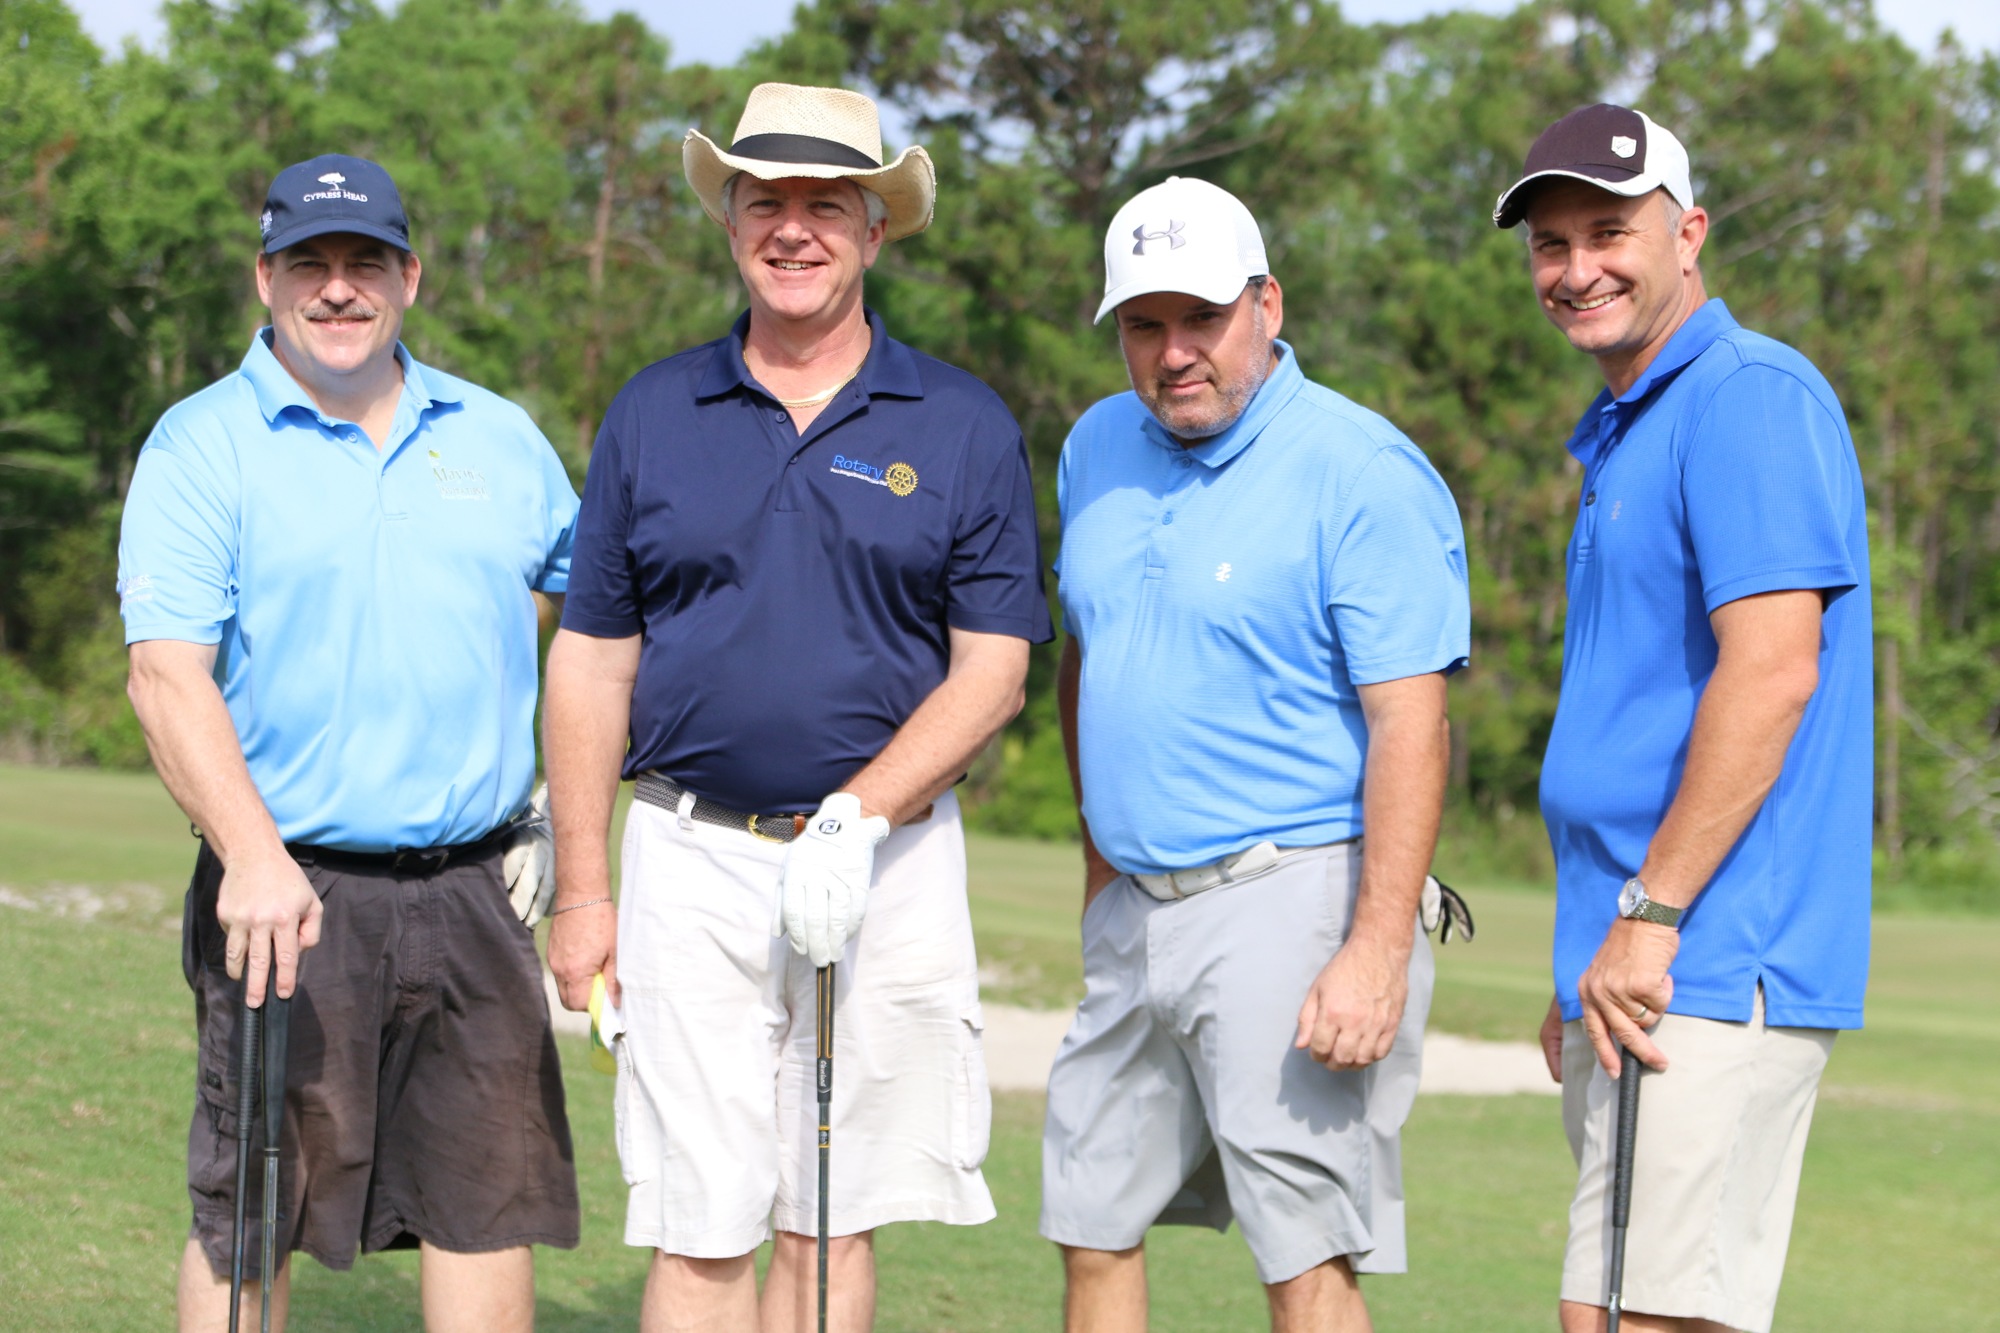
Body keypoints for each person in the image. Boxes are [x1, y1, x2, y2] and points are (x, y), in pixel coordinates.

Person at [541, 82, 1052, 1333]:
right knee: (695, 1212)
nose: (793, 228)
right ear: (728, 221)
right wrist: (584, 889)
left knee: (830, 1214)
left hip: (886, 863)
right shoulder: (655, 413)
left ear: (876, 231)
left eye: (828, 204)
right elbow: (592, 661)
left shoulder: (961, 423)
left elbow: (993, 667)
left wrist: (857, 817)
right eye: (764, 200)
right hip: (687, 855)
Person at [119, 155, 582, 1333]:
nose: (338, 289)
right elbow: (165, 674)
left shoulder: (498, 435)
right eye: (310, 264)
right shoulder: (202, 442)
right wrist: (250, 852)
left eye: (364, 263)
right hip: (289, 892)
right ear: (264, 276)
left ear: (409, 278)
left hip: (478, 889)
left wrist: (553, 799)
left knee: (488, 1207)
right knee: (253, 1211)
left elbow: (605, 618)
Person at [1043, 175, 1471, 1332]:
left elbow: (1410, 722)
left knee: (1303, 1254)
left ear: (1266, 305)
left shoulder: (1359, 469)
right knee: (1089, 1217)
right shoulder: (1094, 446)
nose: (1172, 352)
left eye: (1200, 318)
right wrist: (1097, 860)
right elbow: (1087, 651)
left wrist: (1375, 948)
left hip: (1293, 892)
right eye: (1143, 324)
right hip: (1134, 903)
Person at [1492, 104, 1874, 1333]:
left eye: (1609, 231)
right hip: (1642, 956)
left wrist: (1648, 920)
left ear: (1687, 232)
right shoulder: (1630, 424)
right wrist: (1585, 953)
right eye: (1548, 245)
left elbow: (1770, 673)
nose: (1574, 268)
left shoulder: (1745, 397)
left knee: (1627, 1319)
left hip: (1705, 954)